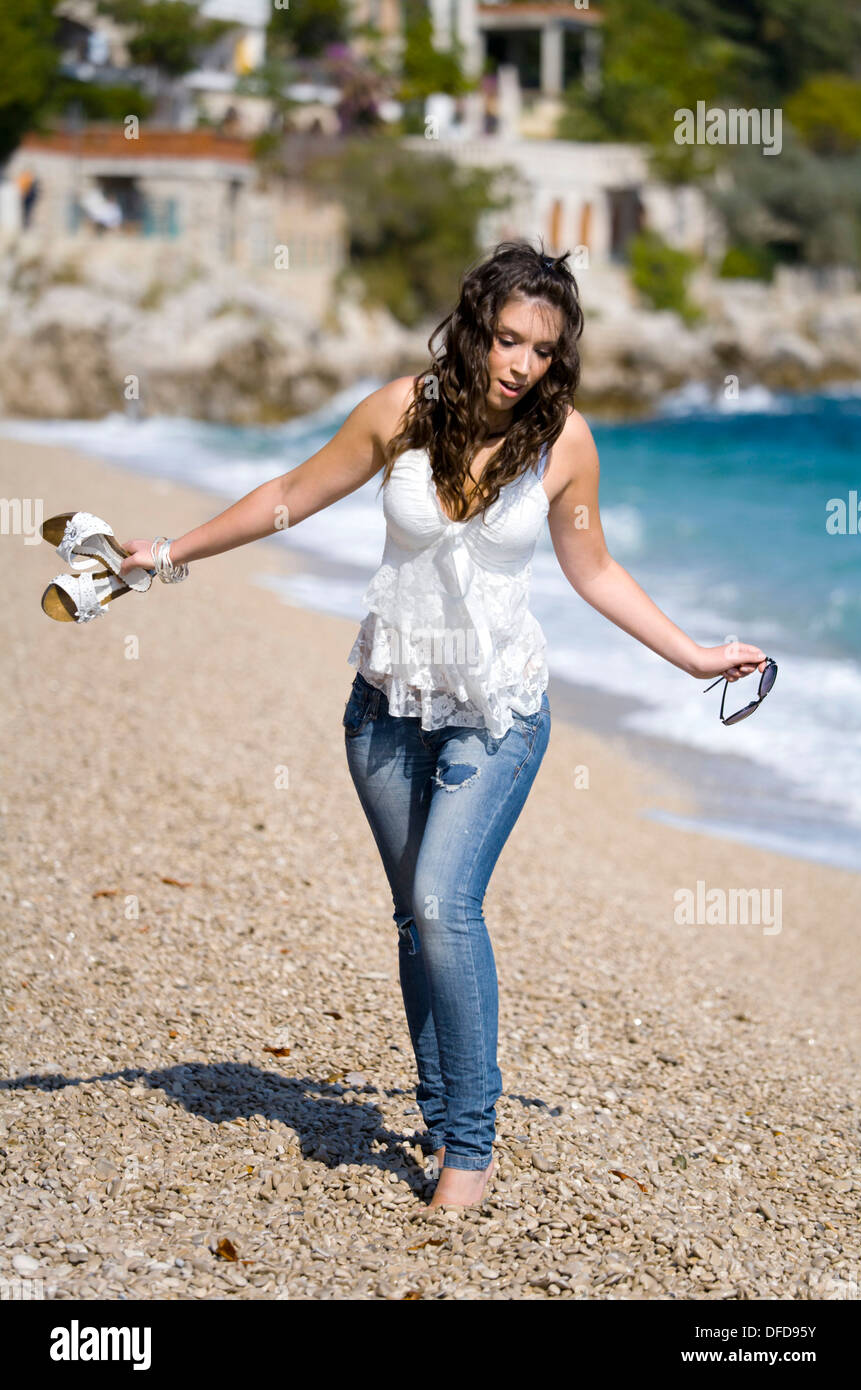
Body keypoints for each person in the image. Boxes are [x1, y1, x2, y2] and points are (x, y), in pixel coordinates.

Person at [119, 240, 768, 1209]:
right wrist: (169, 552)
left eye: (542, 350)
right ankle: (437, 1112)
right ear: (474, 328)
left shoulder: (564, 443)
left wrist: (693, 656)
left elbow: (593, 569)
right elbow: (290, 497)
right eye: (508, 339)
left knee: (441, 901)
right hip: (385, 705)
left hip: (498, 710)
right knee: (415, 920)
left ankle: (468, 1148)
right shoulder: (399, 411)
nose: (521, 364)